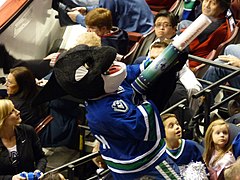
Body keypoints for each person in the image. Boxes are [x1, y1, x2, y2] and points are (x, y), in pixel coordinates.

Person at [32, 44, 188, 179]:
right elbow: (141, 126)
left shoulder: (109, 82)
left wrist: (161, 65)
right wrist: (157, 92)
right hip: (140, 162)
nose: (110, 66)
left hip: (131, 154)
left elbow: (134, 71)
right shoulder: (102, 112)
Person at [5, 66, 80, 148]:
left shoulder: (14, 106)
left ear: (21, 85)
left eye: (9, 82)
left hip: (47, 133)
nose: (6, 85)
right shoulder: (35, 90)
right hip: (58, 119)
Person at [178, 0, 232, 71]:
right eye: (206, 0)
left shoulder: (208, 27)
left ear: (222, 9)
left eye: (213, 3)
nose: (206, 5)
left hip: (190, 65)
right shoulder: (217, 18)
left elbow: (180, 48)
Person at [0, 99, 47, 179]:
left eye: (15, 108)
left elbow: (41, 158)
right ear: (2, 120)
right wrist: (11, 178)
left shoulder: (28, 131)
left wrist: (39, 170)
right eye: (12, 112)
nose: (18, 112)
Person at [66, 0, 154, 34]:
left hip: (140, 31)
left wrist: (78, 18)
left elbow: (101, 21)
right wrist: (87, 10)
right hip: (148, 24)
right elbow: (105, 7)